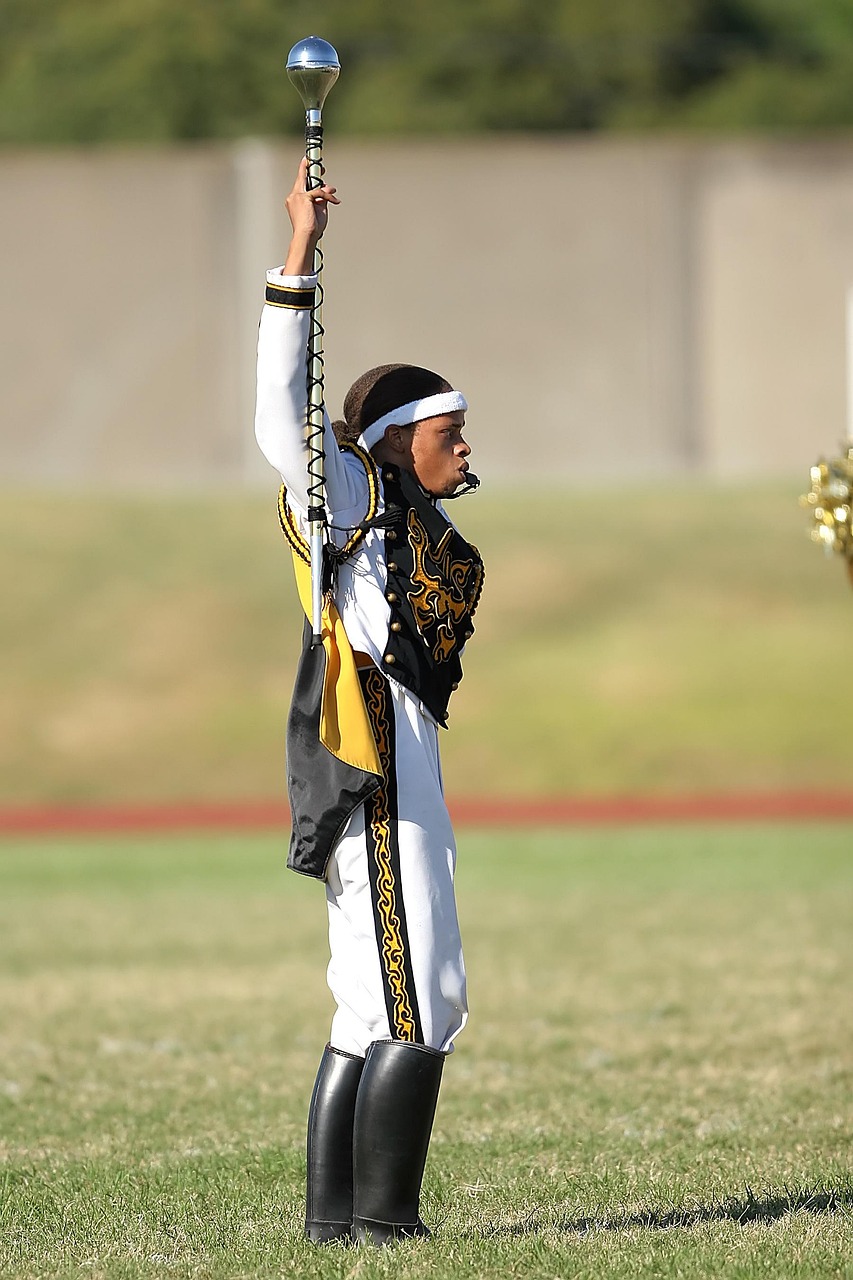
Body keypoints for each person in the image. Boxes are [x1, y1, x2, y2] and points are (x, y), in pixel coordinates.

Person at [254, 158, 484, 1246]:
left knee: (368, 1004)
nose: (465, 447)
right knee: (424, 996)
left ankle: (334, 1226)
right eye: (450, 431)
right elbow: (282, 409)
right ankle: (386, 1226)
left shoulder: (399, 509)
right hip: (372, 757)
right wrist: (299, 257)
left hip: (403, 756)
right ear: (396, 436)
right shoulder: (344, 491)